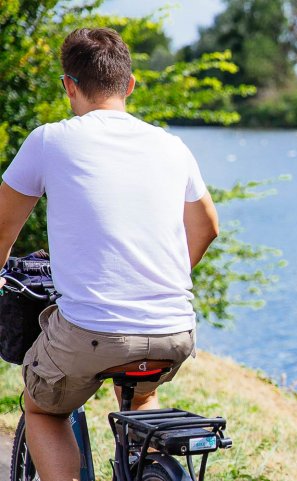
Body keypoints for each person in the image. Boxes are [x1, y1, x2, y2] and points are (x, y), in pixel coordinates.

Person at [0, 27, 219, 481]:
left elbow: (2, 226)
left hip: (92, 332)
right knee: (141, 394)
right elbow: (207, 228)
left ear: (69, 86)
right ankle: (147, 464)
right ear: (131, 84)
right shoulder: (171, 145)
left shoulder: (49, 140)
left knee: (42, 409)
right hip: (174, 331)